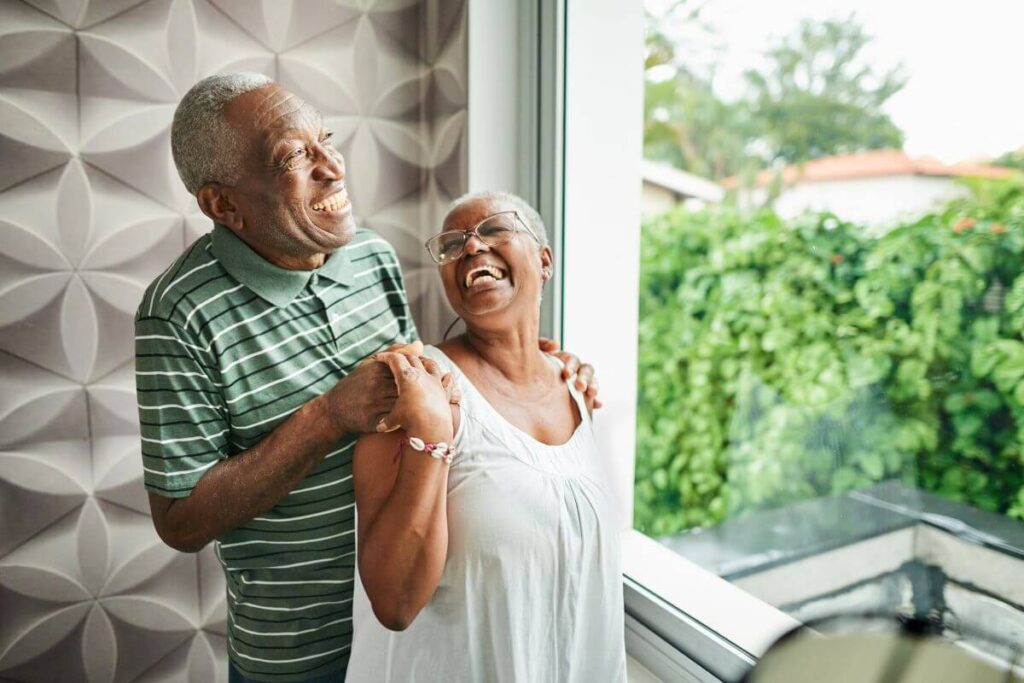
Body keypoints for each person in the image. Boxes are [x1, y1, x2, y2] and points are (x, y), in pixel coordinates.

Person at [136, 73, 598, 682]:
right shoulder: (176, 313)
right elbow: (180, 521)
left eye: (325, 139)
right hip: (300, 654)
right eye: (295, 156)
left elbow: (426, 391)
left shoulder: (370, 257)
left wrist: (530, 367)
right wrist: (329, 416)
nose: (334, 167)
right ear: (224, 205)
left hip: (421, 630)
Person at [347, 192, 626, 682]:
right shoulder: (413, 390)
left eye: (495, 228)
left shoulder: (579, 390)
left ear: (544, 261)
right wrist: (431, 436)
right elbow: (394, 603)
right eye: (453, 244)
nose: (472, 247)